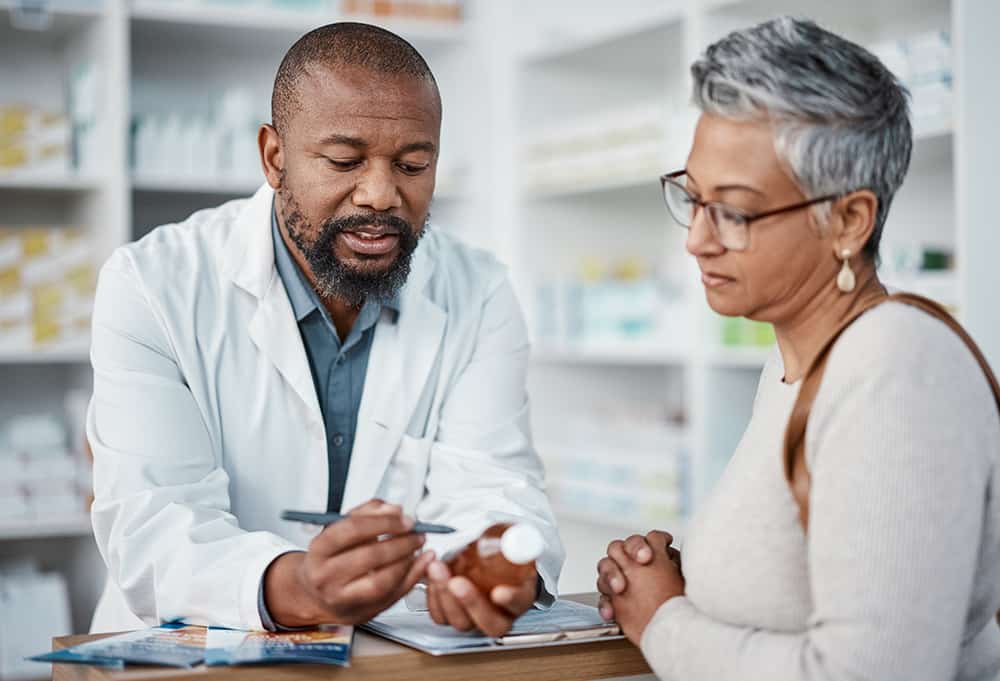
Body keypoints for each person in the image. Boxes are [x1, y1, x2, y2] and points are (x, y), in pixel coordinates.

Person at [88, 22, 563, 635]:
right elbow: (152, 525)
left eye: (413, 164)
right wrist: (299, 586)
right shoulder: (152, 284)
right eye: (344, 161)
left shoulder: (479, 290)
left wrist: (493, 559)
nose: (381, 194)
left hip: (390, 658)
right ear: (274, 157)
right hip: (189, 653)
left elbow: (494, 482)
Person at [596, 16, 1000, 681]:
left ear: (848, 220)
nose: (697, 238)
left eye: (735, 210)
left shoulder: (895, 367)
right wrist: (671, 575)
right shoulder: (795, 365)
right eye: (693, 197)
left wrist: (665, 619)